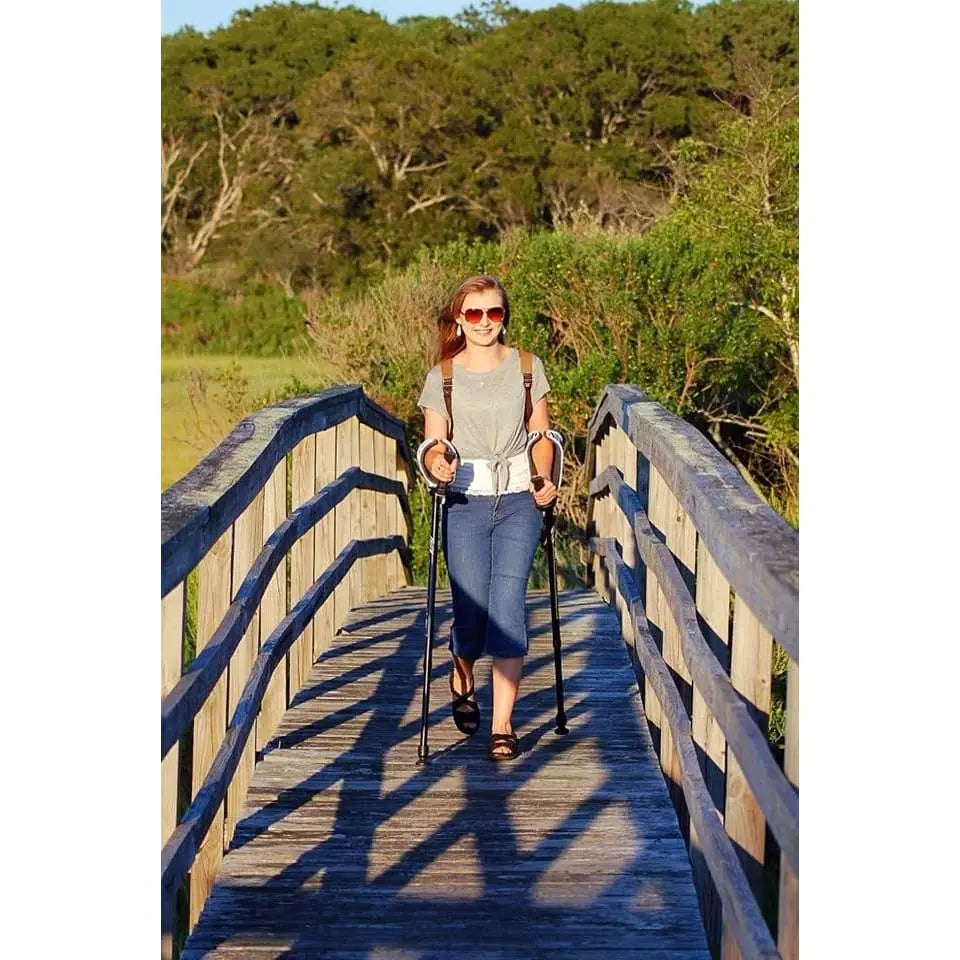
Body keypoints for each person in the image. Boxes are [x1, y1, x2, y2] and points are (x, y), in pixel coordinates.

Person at [417, 275, 558, 761]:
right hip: (465, 500)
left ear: (504, 318)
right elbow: (435, 443)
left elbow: (542, 434)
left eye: (493, 313)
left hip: (519, 498)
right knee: (472, 612)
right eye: (473, 314)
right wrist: (439, 465)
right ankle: (461, 671)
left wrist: (544, 478)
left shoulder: (526, 367)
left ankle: (503, 724)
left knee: (507, 604)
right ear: (459, 318)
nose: (483, 323)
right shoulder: (444, 376)